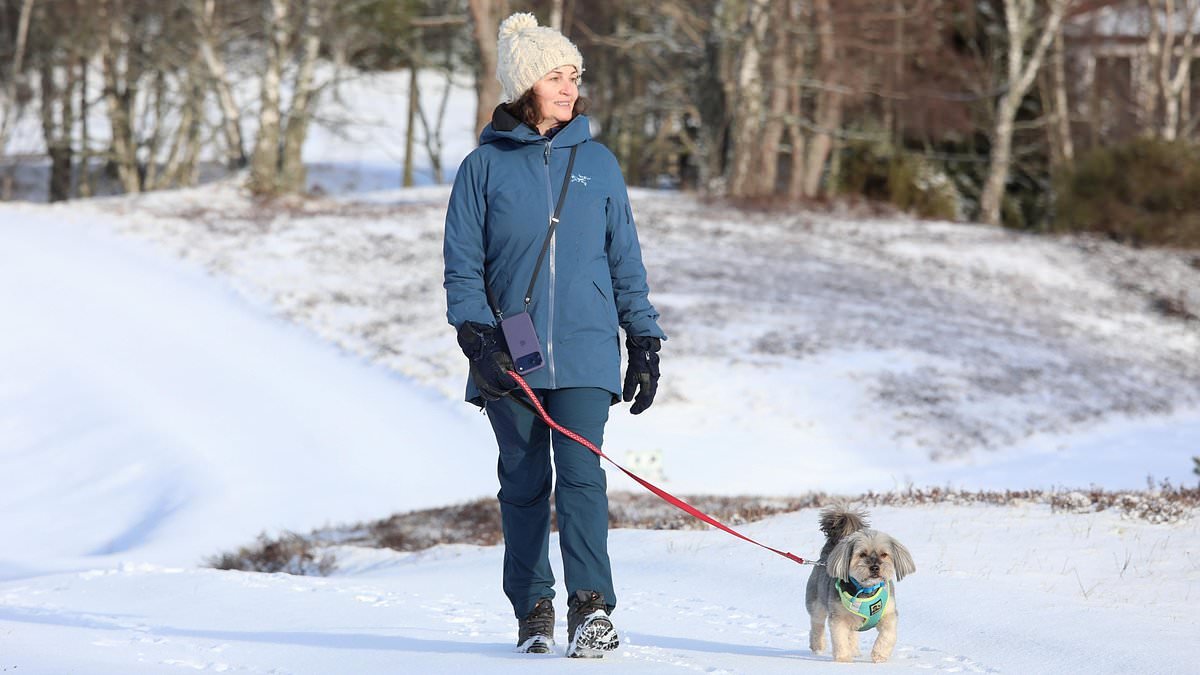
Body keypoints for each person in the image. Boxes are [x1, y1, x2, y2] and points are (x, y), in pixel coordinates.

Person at [442, 12, 666, 659]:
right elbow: (462, 264)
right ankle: (534, 608)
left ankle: (591, 607)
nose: (569, 88)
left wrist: (644, 339)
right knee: (522, 481)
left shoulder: (599, 163)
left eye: (572, 76)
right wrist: (477, 337)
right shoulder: (480, 169)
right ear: (524, 85)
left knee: (581, 478)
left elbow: (625, 257)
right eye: (554, 76)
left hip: (589, 349)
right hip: (507, 354)